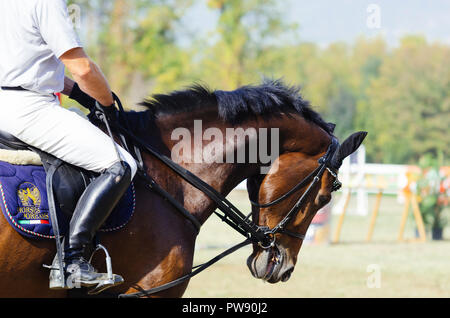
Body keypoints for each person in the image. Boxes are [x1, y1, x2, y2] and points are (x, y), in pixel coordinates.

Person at [0, 0, 138, 291]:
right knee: (121, 164)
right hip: (29, 109)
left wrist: (83, 97)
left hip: (8, 102)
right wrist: (107, 104)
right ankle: (73, 262)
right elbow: (82, 68)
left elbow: (35, 68)